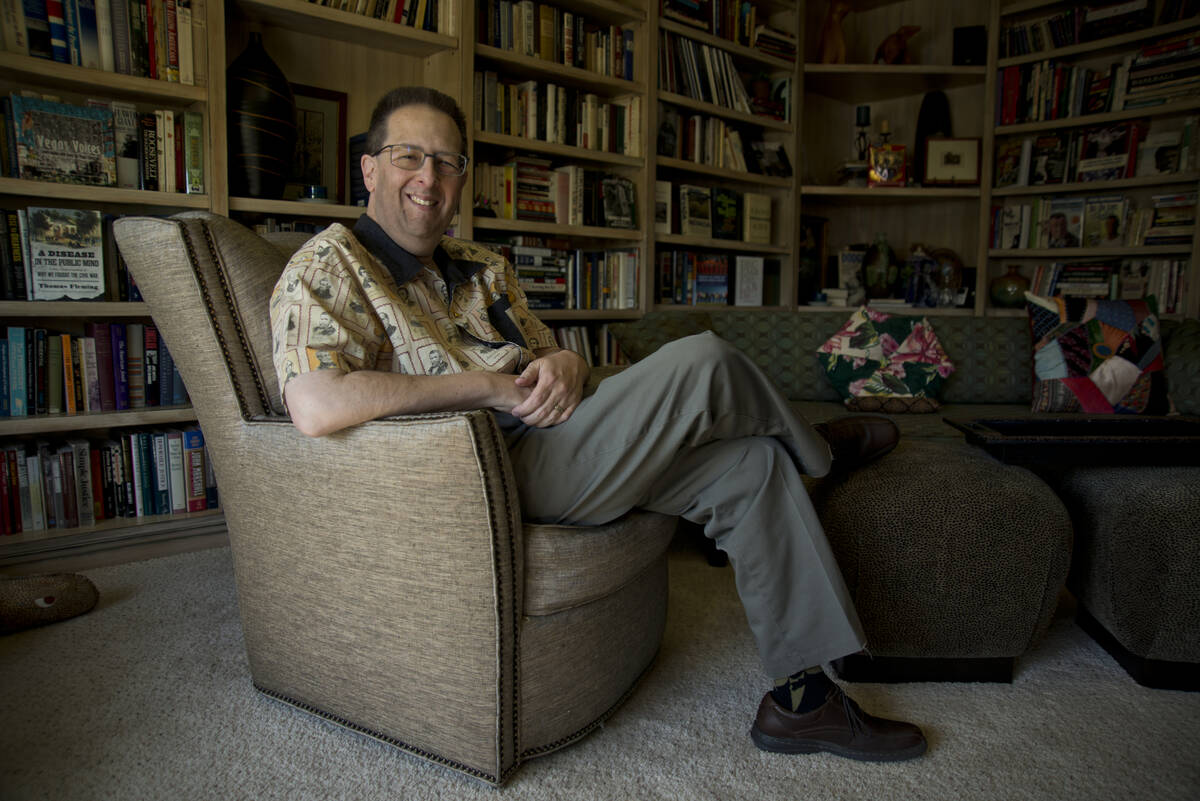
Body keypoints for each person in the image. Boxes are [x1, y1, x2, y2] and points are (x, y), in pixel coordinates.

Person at [270, 87, 927, 762]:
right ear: (370, 170)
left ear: (463, 178)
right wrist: (489, 387)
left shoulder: (482, 268)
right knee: (702, 359)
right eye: (408, 155)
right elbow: (317, 404)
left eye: (447, 161)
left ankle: (802, 701)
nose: (429, 177)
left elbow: (551, 352)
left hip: (562, 427)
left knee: (751, 466)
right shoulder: (329, 263)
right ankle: (819, 452)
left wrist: (566, 364)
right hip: (494, 466)